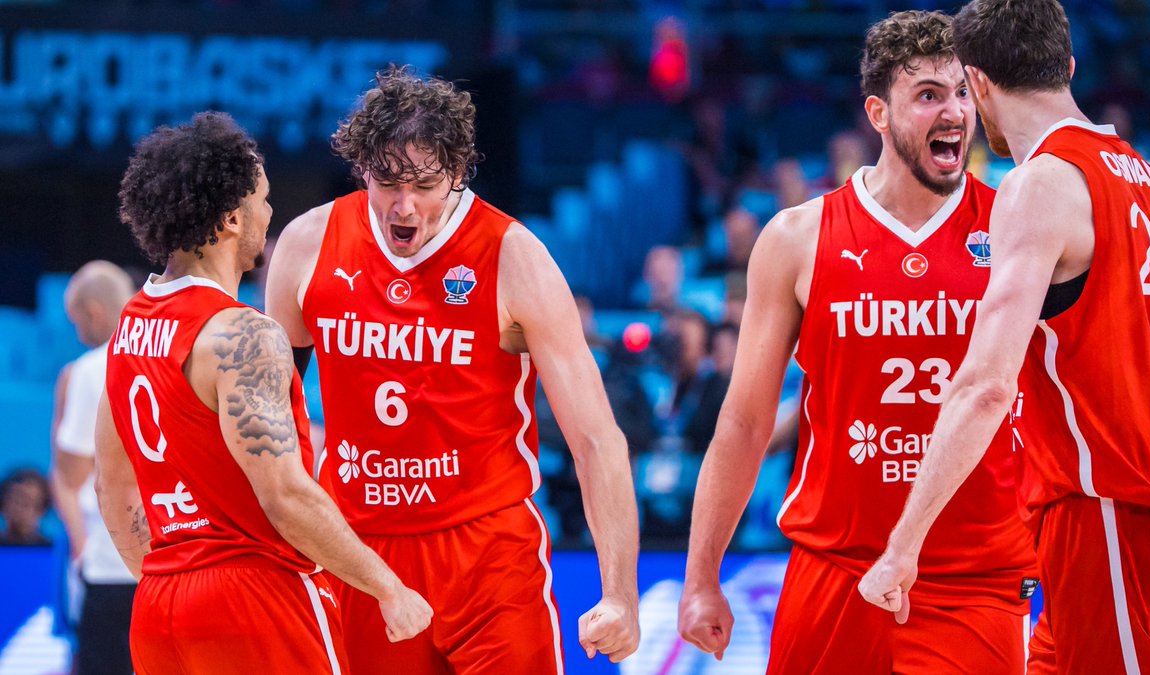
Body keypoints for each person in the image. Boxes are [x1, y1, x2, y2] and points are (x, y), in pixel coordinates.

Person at [677, 11, 1036, 674]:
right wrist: (701, 577)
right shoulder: (797, 238)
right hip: (835, 567)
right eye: (928, 94)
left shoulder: (1018, 226)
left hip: (973, 575)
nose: (954, 111)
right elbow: (746, 421)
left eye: (962, 91)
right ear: (878, 113)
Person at [859, 2, 1150, 674]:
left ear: (978, 83)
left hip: (1109, 513)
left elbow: (986, 386)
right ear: (1066, 66)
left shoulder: (1039, 183)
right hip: (1140, 516)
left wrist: (903, 544)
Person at [265, 65, 640, 674]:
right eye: (388, 181)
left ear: (458, 172)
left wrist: (620, 593)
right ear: (362, 169)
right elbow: (268, 420)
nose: (404, 205)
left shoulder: (513, 256)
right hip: (359, 552)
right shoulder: (308, 245)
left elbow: (597, 440)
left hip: (487, 550)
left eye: (424, 183)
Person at [95, 111, 432, 673]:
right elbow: (286, 496)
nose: (271, 214)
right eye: (264, 200)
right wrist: (388, 587)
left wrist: (174, 583)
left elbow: (113, 485)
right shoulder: (243, 334)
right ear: (232, 219)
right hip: (256, 597)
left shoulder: (127, 329)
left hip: (159, 604)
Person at [48, 260, 138, 675]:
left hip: (109, 561)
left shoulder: (88, 371)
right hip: (174, 561)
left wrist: (81, 546)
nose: (78, 334)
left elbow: (69, 477)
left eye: (77, 323)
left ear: (94, 313)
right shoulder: (179, 354)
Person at [0, 468, 51, 546]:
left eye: (27, 502)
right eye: (16, 500)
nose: (20, 508)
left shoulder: (54, 550)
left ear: (42, 510)